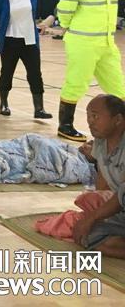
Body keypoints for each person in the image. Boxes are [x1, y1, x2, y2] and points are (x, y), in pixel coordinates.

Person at [55, 0, 124, 142]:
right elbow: (65, 6)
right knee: (76, 83)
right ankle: (65, 126)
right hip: (82, 41)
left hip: (106, 42)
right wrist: (66, 25)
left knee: (118, 86)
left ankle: (121, 125)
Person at [0, 0, 52, 119]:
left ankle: (39, 109)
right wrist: (8, 24)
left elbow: (32, 14)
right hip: (9, 41)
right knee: (7, 72)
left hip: (30, 41)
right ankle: (3, 104)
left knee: (35, 74)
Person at [73, 94, 125, 258]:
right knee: (87, 235)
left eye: (95, 116)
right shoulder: (101, 142)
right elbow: (103, 183)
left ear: (118, 119)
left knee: (91, 226)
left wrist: (93, 217)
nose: (90, 122)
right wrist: (96, 212)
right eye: (88, 116)